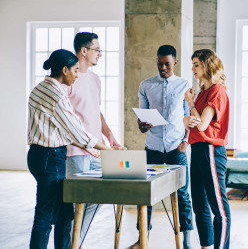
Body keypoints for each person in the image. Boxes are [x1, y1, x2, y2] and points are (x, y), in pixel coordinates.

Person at [27, 49, 114, 249]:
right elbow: (76, 130)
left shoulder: (40, 88)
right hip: (50, 157)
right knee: (46, 214)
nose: (77, 75)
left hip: (41, 155)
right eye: (75, 70)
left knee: (65, 212)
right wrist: (106, 149)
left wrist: (93, 149)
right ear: (64, 70)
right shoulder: (56, 94)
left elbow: (63, 130)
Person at [127, 45, 193, 249]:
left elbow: (190, 115)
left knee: (182, 194)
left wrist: (186, 141)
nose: (162, 67)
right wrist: (142, 125)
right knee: (145, 193)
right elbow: (141, 121)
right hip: (153, 147)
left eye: (167, 63)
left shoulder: (184, 85)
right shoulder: (146, 85)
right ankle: (142, 238)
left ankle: (187, 240)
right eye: (159, 63)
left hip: (176, 148)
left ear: (175, 62)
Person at [66, 32, 123, 246]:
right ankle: (72, 243)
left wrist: (111, 137)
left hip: (97, 151)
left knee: (99, 195)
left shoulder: (95, 79)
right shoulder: (68, 78)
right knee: (76, 203)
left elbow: (96, 112)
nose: (100, 54)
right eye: (97, 49)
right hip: (76, 152)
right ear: (84, 51)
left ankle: (76, 242)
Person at [183, 49, 231, 249]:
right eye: (192, 64)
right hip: (197, 149)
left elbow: (202, 125)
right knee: (200, 205)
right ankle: (206, 246)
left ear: (207, 65)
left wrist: (190, 104)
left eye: (197, 64)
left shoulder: (217, 90)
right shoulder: (203, 91)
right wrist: (187, 118)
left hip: (211, 150)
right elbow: (193, 122)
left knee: (218, 208)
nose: (193, 68)